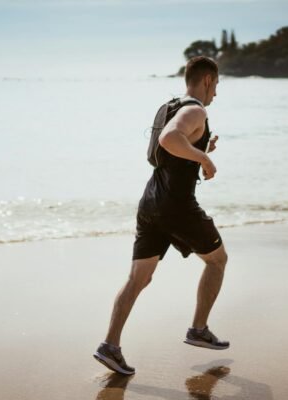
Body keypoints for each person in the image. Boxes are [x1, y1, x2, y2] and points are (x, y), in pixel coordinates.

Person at [93, 56, 229, 375]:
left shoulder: (170, 106)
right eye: (217, 85)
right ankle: (198, 328)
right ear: (207, 80)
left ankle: (109, 346)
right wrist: (205, 161)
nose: (216, 94)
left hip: (150, 202)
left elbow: (164, 153)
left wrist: (200, 150)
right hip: (177, 206)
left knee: (139, 278)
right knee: (218, 260)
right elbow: (170, 140)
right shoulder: (196, 109)